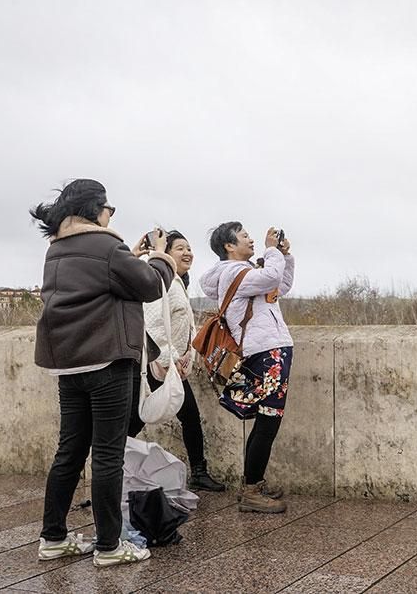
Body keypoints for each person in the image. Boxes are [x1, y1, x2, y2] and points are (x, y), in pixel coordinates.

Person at [30, 179, 174, 566]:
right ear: (95, 209)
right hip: (107, 362)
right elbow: (149, 285)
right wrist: (161, 256)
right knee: (108, 455)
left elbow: (104, 282)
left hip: (69, 365)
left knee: (70, 451)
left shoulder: (56, 249)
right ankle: (110, 546)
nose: (111, 216)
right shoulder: (107, 245)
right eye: (110, 209)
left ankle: (53, 537)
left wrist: (133, 254)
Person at [200, 222, 295, 513]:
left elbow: (282, 285)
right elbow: (271, 277)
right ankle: (252, 490)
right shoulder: (234, 272)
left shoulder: (246, 272)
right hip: (266, 351)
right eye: (244, 237)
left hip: (268, 348)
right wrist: (271, 250)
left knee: (266, 420)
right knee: (269, 421)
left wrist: (284, 256)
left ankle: (252, 483)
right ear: (229, 246)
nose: (251, 240)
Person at [126, 230, 226, 492]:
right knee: (137, 419)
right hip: (156, 365)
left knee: (185, 415)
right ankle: (110, 466)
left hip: (171, 365)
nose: (188, 253)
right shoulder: (162, 281)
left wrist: (187, 357)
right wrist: (171, 358)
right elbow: (153, 324)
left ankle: (198, 472)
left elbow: (186, 327)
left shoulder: (177, 283)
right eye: (180, 248)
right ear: (165, 254)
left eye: (189, 248)